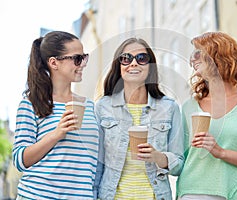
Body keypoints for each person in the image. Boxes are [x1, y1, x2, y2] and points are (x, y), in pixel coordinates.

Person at [176, 32, 237, 200]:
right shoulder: (188, 107)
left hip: (235, 194)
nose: (192, 60)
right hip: (190, 193)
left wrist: (220, 152)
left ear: (219, 55)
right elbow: (180, 160)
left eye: (198, 53)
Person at [93, 37, 184, 200]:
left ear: (150, 67)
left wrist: (158, 157)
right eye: (126, 58)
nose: (133, 63)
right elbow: (97, 164)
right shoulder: (103, 107)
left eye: (141, 58)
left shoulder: (169, 108)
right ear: (119, 66)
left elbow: (178, 164)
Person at [12, 31, 99, 199]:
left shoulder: (90, 107)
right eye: (77, 58)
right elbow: (20, 160)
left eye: (84, 57)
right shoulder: (31, 104)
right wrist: (56, 134)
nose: (83, 64)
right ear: (54, 63)